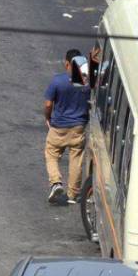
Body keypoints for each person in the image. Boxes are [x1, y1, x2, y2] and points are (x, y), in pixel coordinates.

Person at [44, 49, 91, 205]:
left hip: (59, 127)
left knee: (51, 154)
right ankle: (72, 194)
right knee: (76, 160)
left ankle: (56, 182)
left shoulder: (58, 81)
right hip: (78, 128)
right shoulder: (86, 82)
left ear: (67, 63)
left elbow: (48, 104)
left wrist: (47, 117)